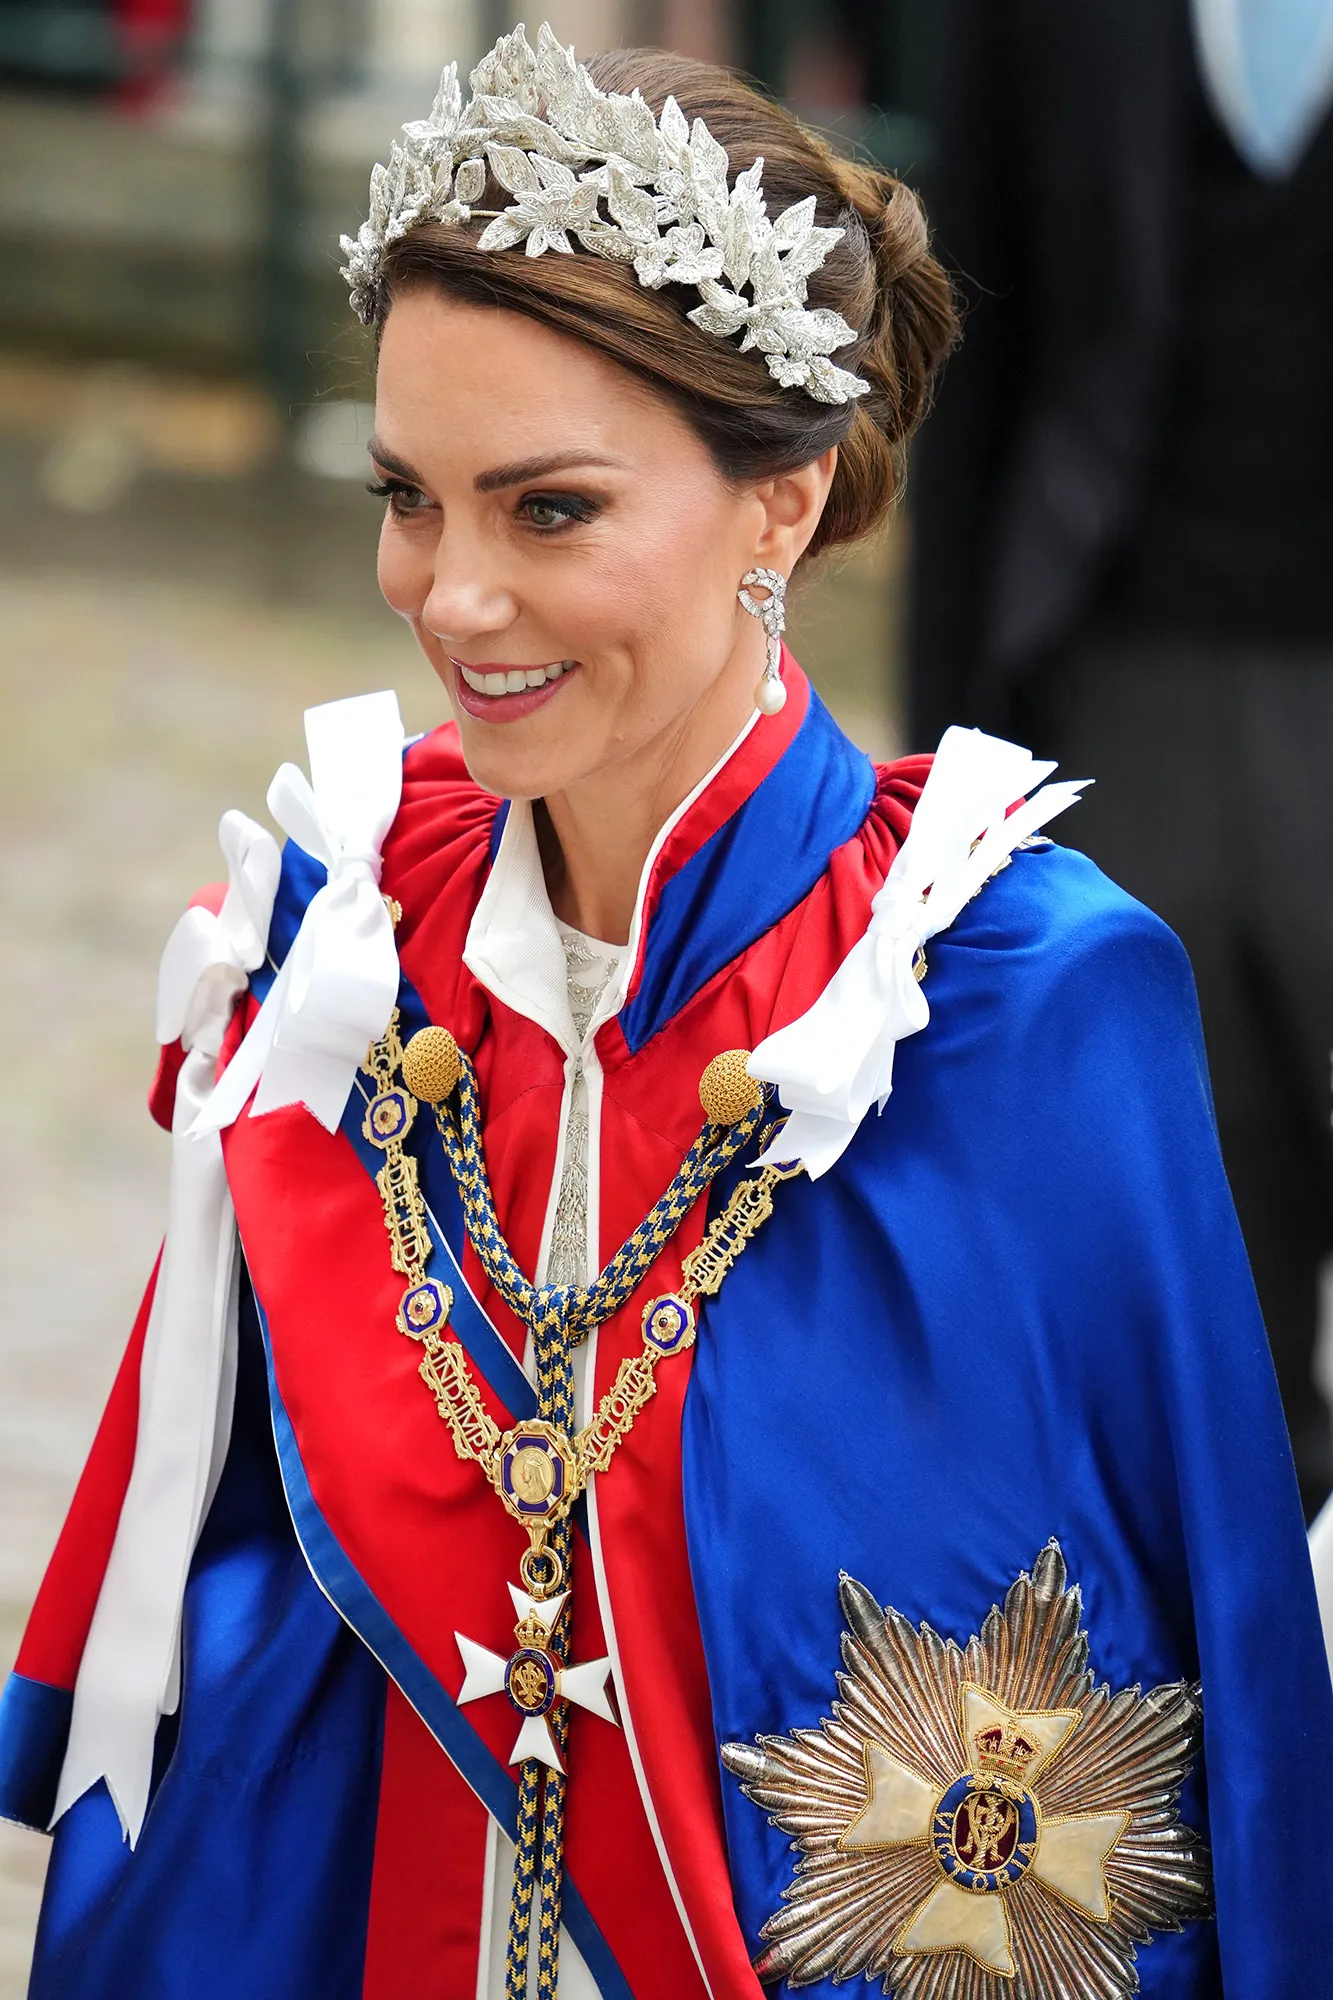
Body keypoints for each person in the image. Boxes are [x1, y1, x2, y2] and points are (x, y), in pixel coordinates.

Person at [1, 26, 1329, 1999]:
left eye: (547, 510)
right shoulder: (339, 946)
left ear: (780, 507)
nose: (450, 597)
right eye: (405, 497)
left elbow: (1208, 1703)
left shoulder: (1029, 994)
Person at [906, 0, 1333, 1519]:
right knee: (1173, 1331)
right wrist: (940, 789)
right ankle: (1227, 1729)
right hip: (1120, 682)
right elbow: (974, 359)